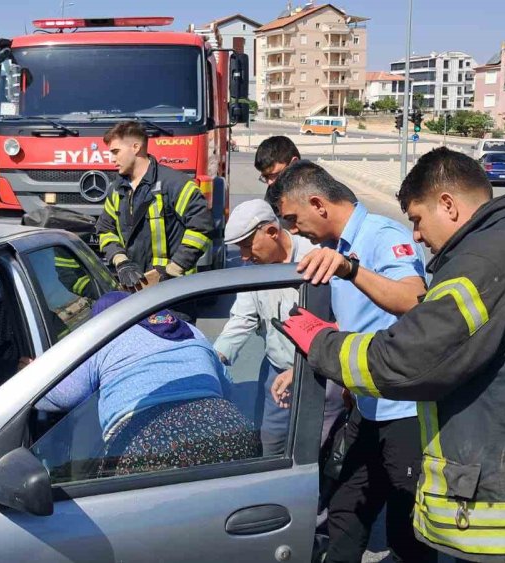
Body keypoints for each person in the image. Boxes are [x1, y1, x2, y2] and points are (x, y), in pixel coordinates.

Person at [280, 147, 505, 562]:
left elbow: (406, 361)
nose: (417, 236)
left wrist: (320, 342)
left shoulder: (481, 264)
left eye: (417, 220)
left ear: (448, 204)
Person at [267, 160, 435, 563]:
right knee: (345, 510)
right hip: (366, 406)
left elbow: (414, 300)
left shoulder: (381, 236)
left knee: (408, 531)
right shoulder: (335, 249)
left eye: (293, 219)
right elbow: (357, 322)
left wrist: (351, 270)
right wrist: (306, 364)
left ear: (318, 204)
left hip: (404, 412)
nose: (293, 231)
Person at [36, 292, 260, 476]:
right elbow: (227, 385)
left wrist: (32, 375)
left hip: (147, 442)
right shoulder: (190, 330)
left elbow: (63, 395)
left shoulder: (104, 337)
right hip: (226, 429)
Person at [213, 199, 317, 455]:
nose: (244, 256)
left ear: (271, 231)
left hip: (318, 374)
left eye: (247, 246)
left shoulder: (314, 258)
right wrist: (215, 359)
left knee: (315, 446)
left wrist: (302, 369)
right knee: (271, 444)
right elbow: (243, 318)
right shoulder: (253, 268)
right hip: (276, 370)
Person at [96, 121, 214, 292]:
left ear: (136, 147)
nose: (112, 159)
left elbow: (201, 228)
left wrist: (174, 269)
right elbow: (105, 230)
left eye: (116, 152)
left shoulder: (175, 184)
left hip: (175, 290)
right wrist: (121, 262)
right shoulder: (117, 189)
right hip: (135, 288)